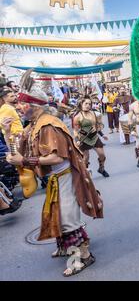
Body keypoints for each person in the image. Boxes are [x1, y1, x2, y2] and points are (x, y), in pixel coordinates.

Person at [3, 86, 103, 277]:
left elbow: (57, 158)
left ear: (36, 106)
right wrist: (8, 133)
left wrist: (24, 161)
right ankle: (65, 247)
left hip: (66, 176)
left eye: (23, 103)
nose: (19, 107)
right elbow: (17, 150)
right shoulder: (34, 124)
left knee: (67, 218)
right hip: (55, 178)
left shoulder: (48, 125)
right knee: (57, 214)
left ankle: (83, 256)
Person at [73, 97, 110, 178]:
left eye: (89, 104)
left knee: (102, 155)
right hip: (84, 139)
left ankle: (101, 169)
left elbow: (96, 126)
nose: (88, 105)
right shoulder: (77, 117)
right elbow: (76, 130)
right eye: (86, 103)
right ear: (81, 104)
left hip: (94, 137)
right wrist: (77, 140)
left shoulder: (93, 113)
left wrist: (102, 135)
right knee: (86, 158)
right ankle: (85, 173)